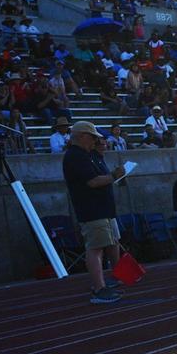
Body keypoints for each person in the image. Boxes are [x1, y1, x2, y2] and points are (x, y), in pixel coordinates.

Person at [62, 121, 126, 304]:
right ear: (83, 136)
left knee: (104, 244)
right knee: (95, 248)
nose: (95, 142)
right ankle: (99, 289)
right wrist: (113, 176)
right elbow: (92, 182)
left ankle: (104, 284)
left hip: (99, 208)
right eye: (92, 138)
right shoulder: (76, 156)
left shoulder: (84, 155)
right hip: (92, 209)